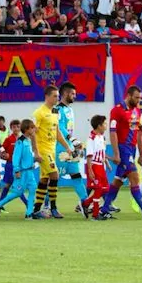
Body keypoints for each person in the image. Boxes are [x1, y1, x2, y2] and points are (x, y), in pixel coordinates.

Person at [96, 85, 142, 220]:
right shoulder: (117, 110)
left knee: (117, 182)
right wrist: (116, 153)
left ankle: (104, 210)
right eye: (136, 98)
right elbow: (113, 132)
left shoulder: (136, 111)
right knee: (134, 178)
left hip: (131, 149)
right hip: (123, 149)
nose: (139, 101)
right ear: (128, 96)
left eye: (140, 98)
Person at [30, 85, 72, 218]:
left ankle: (36, 210)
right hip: (43, 150)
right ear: (47, 96)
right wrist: (36, 152)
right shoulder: (39, 113)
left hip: (52, 149)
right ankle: (53, 208)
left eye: (58, 96)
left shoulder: (55, 112)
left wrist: (67, 147)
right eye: (54, 96)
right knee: (55, 175)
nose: (57, 98)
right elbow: (32, 133)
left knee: (44, 179)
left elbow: (57, 132)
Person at [54, 82, 87, 214]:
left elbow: (68, 130)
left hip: (70, 148)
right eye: (72, 94)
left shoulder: (70, 110)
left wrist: (73, 142)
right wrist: (73, 140)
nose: (75, 96)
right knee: (53, 179)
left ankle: (85, 202)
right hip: (60, 149)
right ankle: (46, 207)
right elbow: (60, 128)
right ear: (65, 94)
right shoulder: (57, 110)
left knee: (76, 175)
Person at [0, 119, 37, 219]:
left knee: (33, 189)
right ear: (27, 129)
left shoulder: (28, 140)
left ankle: (29, 213)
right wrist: (17, 170)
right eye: (32, 128)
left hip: (29, 171)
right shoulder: (20, 142)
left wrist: (33, 161)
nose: (34, 129)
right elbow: (15, 157)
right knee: (17, 192)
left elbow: (28, 155)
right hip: (22, 172)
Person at [81, 115, 109, 219]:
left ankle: (85, 203)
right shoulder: (91, 139)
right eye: (105, 124)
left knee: (105, 189)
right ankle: (95, 214)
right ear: (99, 126)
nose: (106, 126)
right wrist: (90, 169)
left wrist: (107, 163)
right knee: (98, 189)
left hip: (101, 166)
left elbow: (101, 152)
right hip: (94, 165)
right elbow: (89, 155)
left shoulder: (101, 137)